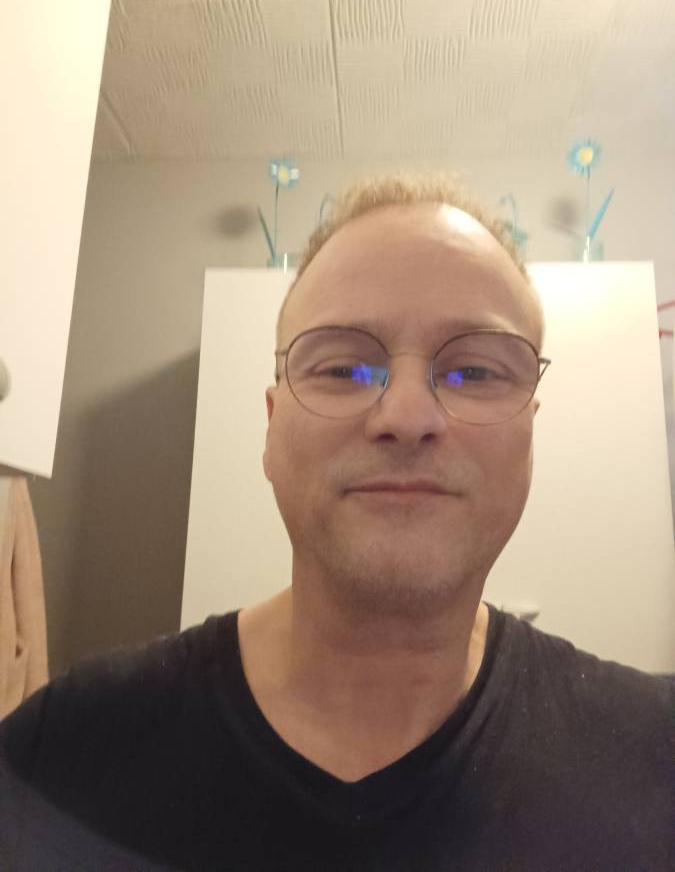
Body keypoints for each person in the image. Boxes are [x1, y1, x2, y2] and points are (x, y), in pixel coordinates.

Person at [0, 172, 673, 871]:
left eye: (474, 373)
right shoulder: (59, 755)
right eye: (345, 369)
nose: (406, 417)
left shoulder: (656, 760)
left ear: (530, 431)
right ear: (271, 428)